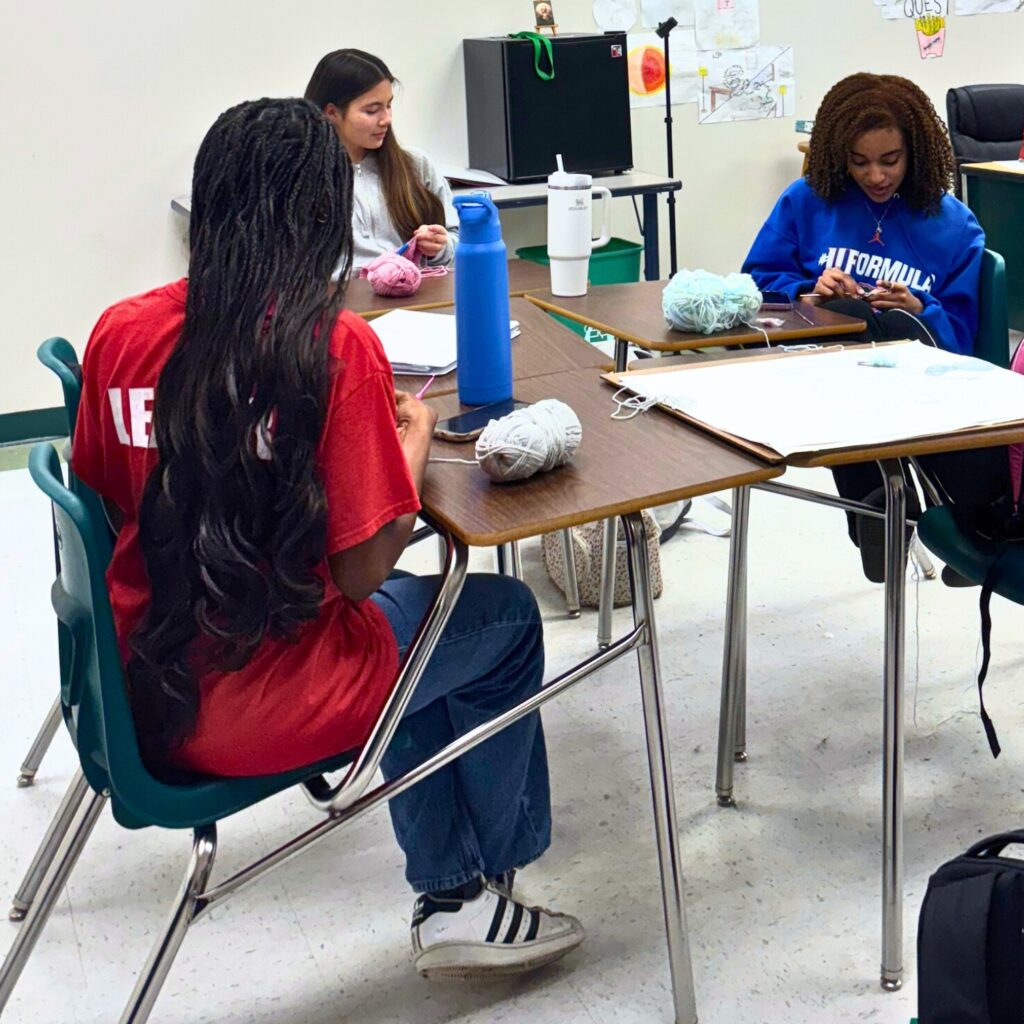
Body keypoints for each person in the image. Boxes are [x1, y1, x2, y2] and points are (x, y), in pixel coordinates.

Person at [72, 98, 583, 981]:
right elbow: (358, 571)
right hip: (262, 702)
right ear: (320, 215)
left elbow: (112, 496)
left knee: (419, 619)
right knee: (495, 620)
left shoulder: (120, 331)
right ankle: (488, 884)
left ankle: (454, 887)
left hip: (142, 683)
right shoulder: (330, 346)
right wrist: (412, 444)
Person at [742, 73, 1008, 583]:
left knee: (885, 323)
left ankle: (951, 516)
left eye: (890, 161)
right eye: (859, 162)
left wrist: (919, 306)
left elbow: (963, 334)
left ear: (917, 153)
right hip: (822, 380)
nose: (876, 176)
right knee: (854, 321)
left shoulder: (953, 225)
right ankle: (897, 508)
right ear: (838, 154)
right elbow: (754, 281)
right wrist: (808, 290)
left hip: (917, 387)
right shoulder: (807, 201)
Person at [305, 49, 457, 274]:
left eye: (388, 105)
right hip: (336, 305)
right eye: (372, 110)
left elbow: (460, 241)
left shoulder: (416, 165)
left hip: (415, 300)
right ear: (331, 113)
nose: (387, 119)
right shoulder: (301, 177)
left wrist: (440, 248)